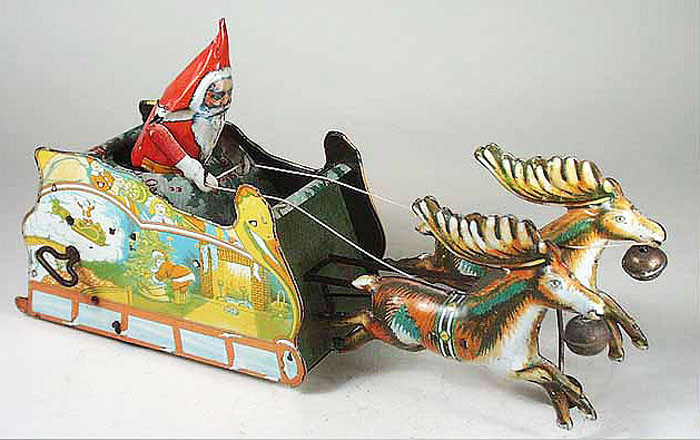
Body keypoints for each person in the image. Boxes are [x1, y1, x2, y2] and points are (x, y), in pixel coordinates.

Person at [131, 18, 232, 192]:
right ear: (202, 95)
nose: (224, 101)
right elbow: (155, 131)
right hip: (158, 170)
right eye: (217, 96)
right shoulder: (180, 116)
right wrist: (192, 169)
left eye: (228, 94)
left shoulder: (212, 117)